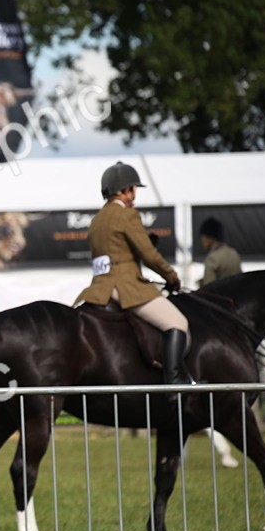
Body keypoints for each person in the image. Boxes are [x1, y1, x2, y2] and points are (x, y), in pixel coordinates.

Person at [75, 162, 192, 394]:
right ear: (124, 190)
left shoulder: (97, 220)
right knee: (178, 323)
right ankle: (174, 383)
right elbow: (149, 256)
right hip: (125, 286)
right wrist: (171, 276)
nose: (134, 194)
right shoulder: (128, 215)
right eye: (133, 189)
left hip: (99, 288)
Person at [198, 217, 243, 287]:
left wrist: (201, 284)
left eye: (203, 237)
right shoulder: (234, 253)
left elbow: (208, 288)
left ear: (209, 237)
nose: (202, 241)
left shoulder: (212, 258)